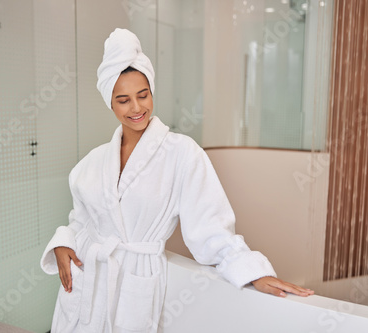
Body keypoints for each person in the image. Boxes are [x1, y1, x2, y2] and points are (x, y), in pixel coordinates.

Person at [40, 28, 314, 333]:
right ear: (111, 104)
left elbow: (210, 227)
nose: (136, 108)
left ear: (152, 92)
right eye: (123, 100)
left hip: (135, 281)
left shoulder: (182, 154)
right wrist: (63, 243)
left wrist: (251, 271)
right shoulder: (91, 163)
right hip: (86, 281)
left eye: (143, 95)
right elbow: (81, 221)